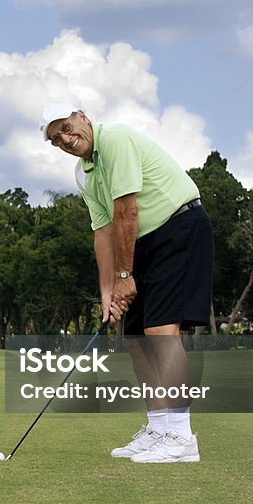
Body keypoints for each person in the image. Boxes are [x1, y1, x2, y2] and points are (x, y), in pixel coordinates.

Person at [39, 103, 214, 463]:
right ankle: (159, 427)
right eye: (57, 139)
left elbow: (127, 211)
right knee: (135, 340)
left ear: (82, 116)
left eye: (68, 128)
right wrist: (107, 295)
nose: (67, 140)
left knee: (161, 332)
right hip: (139, 243)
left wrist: (123, 277)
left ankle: (182, 438)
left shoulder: (115, 139)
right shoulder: (83, 173)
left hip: (177, 227)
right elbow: (103, 233)